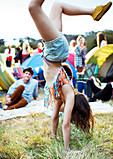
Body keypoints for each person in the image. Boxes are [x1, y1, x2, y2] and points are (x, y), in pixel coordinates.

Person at [28, 0, 112, 151]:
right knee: (33, 7)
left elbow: (54, 118)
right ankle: (92, 10)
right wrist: (67, 150)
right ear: (75, 106)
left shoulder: (61, 98)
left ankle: (93, 11)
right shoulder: (69, 94)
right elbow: (65, 124)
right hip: (55, 50)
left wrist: (54, 138)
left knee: (56, 5)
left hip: (53, 51)